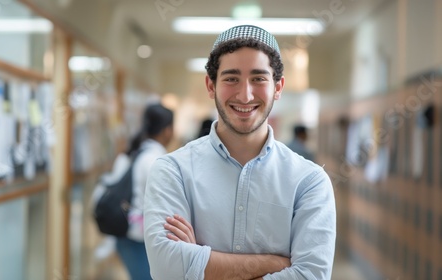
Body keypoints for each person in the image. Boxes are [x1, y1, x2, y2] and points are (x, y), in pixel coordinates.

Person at [143, 25, 336, 279]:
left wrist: (198, 263)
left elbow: (310, 276)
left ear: (278, 87)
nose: (245, 95)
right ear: (211, 86)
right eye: (231, 78)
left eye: (258, 78)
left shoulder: (308, 182)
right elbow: (167, 270)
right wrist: (274, 264)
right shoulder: (172, 171)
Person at [113, 103, 174, 280]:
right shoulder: (157, 160)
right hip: (140, 240)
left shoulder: (131, 152)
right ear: (167, 131)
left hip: (125, 233)